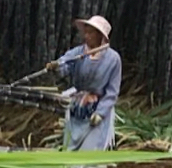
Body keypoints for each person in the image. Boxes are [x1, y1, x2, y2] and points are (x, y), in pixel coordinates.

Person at [49, 16, 122, 149]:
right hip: (78, 108)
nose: (86, 36)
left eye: (91, 33)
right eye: (85, 32)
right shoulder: (78, 53)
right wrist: (56, 67)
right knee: (70, 147)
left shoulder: (113, 59)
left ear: (100, 36)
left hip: (96, 111)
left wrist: (100, 113)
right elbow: (65, 64)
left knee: (90, 149)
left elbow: (112, 92)